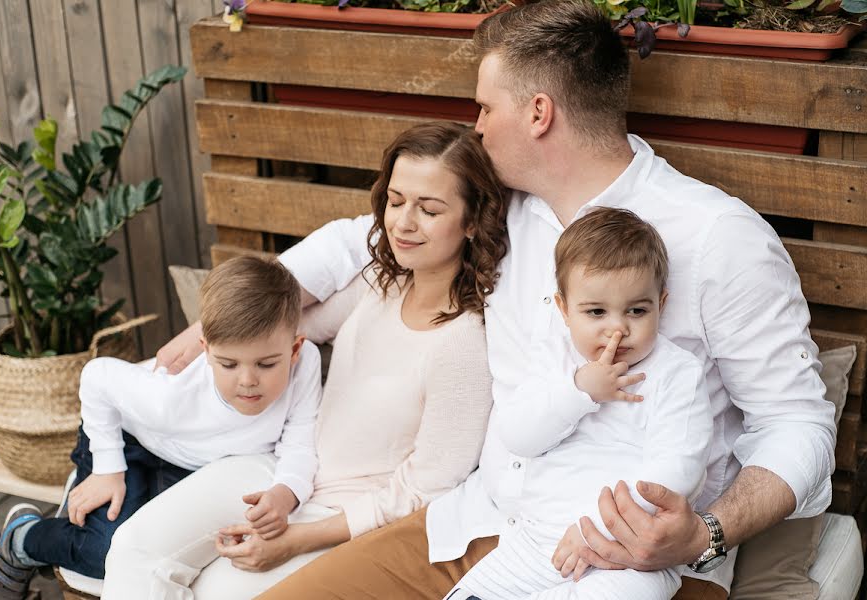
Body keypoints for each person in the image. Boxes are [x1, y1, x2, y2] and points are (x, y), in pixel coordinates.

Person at [180, 1, 831, 598]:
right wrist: (251, 309)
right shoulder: (503, 212)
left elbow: (795, 423)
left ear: (538, 113)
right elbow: (371, 237)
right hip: (476, 523)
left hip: (630, 559)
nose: (477, 126)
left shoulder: (717, 237)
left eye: (486, 108)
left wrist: (704, 533)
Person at [99, 121, 507, 599]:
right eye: (396, 202)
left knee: (217, 590)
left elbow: (425, 492)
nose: (403, 223)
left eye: (429, 209)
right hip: (285, 469)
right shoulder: (382, 281)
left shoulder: (463, 343)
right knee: (132, 550)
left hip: (344, 515)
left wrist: (298, 540)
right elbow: (286, 329)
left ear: (474, 219)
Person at [0, 255, 322, 600]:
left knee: (173, 546)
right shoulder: (171, 395)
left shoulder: (306, 364)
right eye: (228, 364)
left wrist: (285, 493)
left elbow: (299, 442)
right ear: (205, 351)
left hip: (192, 462)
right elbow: (97, 377)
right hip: (129, 439)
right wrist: (108, 469)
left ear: (294, 349)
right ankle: (22, 538)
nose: (248, 381)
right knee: (104, 554)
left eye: (266, 364)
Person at [449, 207, 713, 600]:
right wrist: (579, 392)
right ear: (564, 310)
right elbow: (519, 435)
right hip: (537, 542)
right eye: (596, 312)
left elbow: (675, 473)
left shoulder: (678, 372)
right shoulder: (555, 357)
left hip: (627, 552)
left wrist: (597, 531)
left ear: (662, 303)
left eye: (637, 310)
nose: (618, 328)